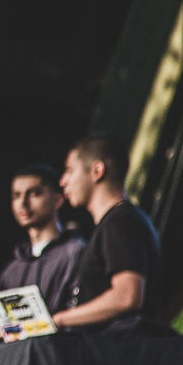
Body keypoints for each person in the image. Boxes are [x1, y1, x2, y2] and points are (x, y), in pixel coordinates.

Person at [51, 133, 162, 331]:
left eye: (69, 170)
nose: (62, 181)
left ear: (97, 171)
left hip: (119, 352)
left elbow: (127, 296)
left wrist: (59, 320)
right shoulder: (115, 223)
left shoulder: (120, 222)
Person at [0, 164, 85, 341]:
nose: (23, 203)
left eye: (34, 193)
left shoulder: (75, 252)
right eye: (16, 195)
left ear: (58, 199)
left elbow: (79, 315)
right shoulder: (13, 268)